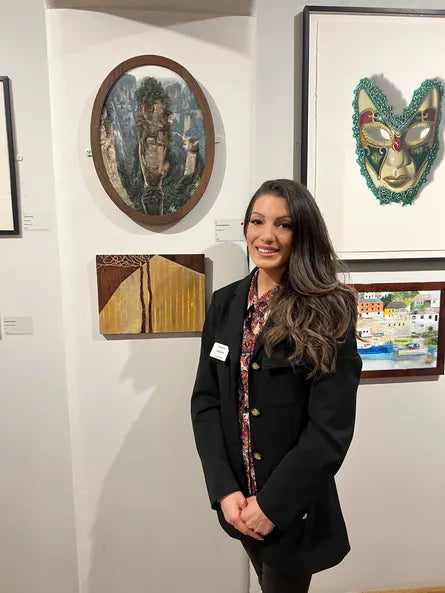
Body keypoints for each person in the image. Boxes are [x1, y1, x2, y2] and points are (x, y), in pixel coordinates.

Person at [191, 179, 362, 593]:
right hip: (239, 502)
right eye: (257, 221)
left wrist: (272, 505)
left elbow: (330, 429)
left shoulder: (330, 309)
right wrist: (223, 488)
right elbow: (206, 401)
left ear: (303, 233)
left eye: (283, 225)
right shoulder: (225, 303)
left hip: (292, 506)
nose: (266, 236)